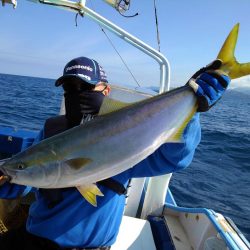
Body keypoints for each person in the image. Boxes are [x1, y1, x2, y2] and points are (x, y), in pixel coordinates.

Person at [0, 56, 230, 250]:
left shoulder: (124, 139)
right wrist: (11, 182)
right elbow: (28, 172)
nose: (76, 94)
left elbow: (175, 158)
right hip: (36, 238)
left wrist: (193, 110)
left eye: (86, 88)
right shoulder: (51, 129)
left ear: (106, 90)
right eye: (70, 88)